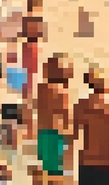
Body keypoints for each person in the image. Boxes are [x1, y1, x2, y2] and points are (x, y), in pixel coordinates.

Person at [35, 54, 75, 184]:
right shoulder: (62, 92)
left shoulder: (41, 89)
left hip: (42, 133)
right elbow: (66, 114)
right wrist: (71, 133)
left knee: (45, 168)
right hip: (56, 134)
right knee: (57, 172)